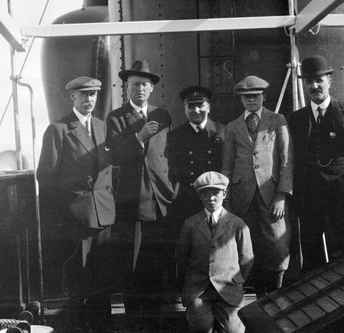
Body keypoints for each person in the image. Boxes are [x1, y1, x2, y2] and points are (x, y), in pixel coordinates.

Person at [37, 76, 116, 332]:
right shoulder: (58, 129)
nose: (88, 100)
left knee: (102, 276)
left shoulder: (103, 127)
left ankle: (101, 327)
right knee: (78, 279)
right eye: (83, 95)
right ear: (72, 97)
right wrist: (62, 215)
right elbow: (45, 176)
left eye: (92, 95)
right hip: (75, 219)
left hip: (103, 214)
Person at [105, 60, 176, 326]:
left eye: (145, 85)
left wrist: (171, 189)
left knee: (156, 262)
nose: (140, 89)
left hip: (159, 199)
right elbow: (113, 157)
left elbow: (169, 156)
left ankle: (156, 320)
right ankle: (135, 321)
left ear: (152, 89)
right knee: (131, 263)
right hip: (132, 202)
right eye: (135, 84)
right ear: (127, 88)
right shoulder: (116, 117)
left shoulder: (163, 115)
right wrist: (138, 138)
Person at [288, 55, 344, 274]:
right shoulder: (296, 119)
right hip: (310, 200)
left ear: (329, 81)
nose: (314, 86)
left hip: (343, 198)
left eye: (319, 80)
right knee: (312, 260)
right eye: (308, 81)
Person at [221, 75, 294, 295]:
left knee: (277, 244)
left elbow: (287, 159)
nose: (251, 101)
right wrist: (226, 197)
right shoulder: (233, 127)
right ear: (241, 100)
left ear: (264, 96)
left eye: (255, 96)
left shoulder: (277, 120)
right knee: (246, 245)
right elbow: (227, 164)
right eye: (246, 97)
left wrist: (282, 195)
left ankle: (274, 293)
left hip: (270, 194)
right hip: (242, 194)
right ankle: (248, 297)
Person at [176, 171, 254, 333]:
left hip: (229, 288)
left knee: (234, 331)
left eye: (216, 193)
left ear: (224, 194)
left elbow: (247, 258)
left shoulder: (237, 224)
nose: (211, 198)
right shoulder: (190, 224)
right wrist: (190, 283)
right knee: (201, 327)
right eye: (205, 194)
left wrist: (236, 280)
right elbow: (182, 258)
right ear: (200, 197)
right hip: (199, 289)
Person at [166, 85, 227, 222]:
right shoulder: (175, 135)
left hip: (215, 199)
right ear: (185, 109)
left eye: (200, 105)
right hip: (187, 199)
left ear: (208, 108)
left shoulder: (223, 132)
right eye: (190, 106)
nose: (196, 110)